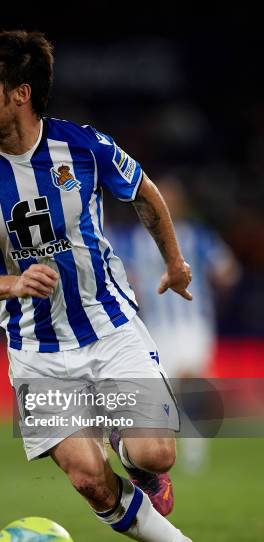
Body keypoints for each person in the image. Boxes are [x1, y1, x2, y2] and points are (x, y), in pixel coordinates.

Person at [0, 30, 208, 542]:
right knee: (88, 479)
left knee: (154, 454)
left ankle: (134, 458)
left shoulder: (83, 147)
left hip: (109, 325)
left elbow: (145, 193)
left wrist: (176, 264)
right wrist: (13, 284)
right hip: (34, 350)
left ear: (19, 93)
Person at [107, 175, 240, 471]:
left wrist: (215, 286)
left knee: (190, 377)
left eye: (171, 198)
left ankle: (193, 447)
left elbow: (228, 270)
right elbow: (118, 273)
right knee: (167, 388)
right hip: (155, 327)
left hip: (193, 323)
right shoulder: (133, 239)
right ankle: (163, 446)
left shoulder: (198, 235)